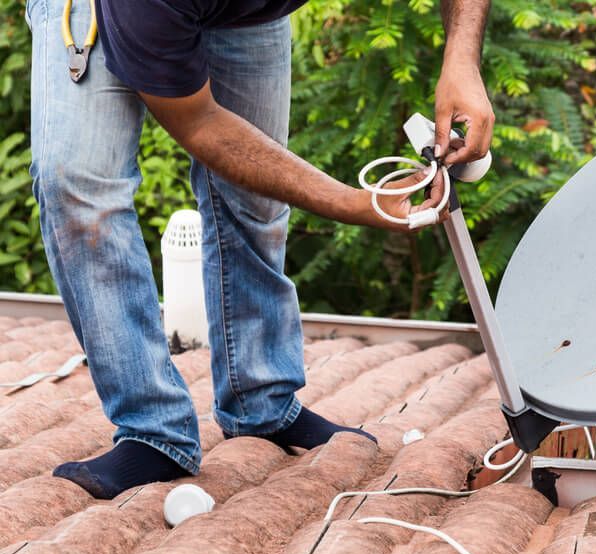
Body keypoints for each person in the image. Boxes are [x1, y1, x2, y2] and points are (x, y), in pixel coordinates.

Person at [26, 0, 495, 499]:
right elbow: (201, 125)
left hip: (242, 14)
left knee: (255, 199)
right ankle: (152, 430)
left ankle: (262, 402)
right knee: (77, 189)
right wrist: (355, 204)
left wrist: (462, 61)